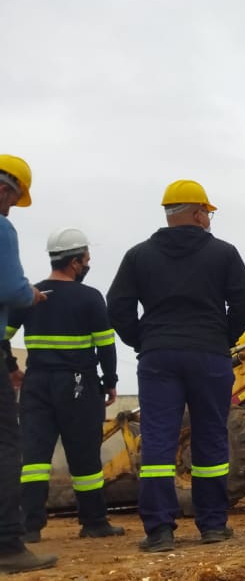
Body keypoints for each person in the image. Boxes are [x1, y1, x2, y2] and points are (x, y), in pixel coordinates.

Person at [107, 179, 245, 553]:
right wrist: (222, 338)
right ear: (196, 212)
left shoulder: (138, 255)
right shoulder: (224, 254)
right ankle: (213, 526)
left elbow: (117, 308)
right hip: (209, 356)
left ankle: (159, 532)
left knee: (158, 439)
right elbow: (244, 305)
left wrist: (145, 341)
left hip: (159, 357)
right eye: (207, 212)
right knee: (210, 437)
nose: (208, 219)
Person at [6, 228, 125, 543]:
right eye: (86, 259)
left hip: (35, 385)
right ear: (75, 262)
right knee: (84, 457)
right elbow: (106, 346)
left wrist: (10, 367)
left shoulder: (28, 296)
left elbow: (2, 335)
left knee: (33, 458)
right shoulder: (90, 298)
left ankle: (29, 527)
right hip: (78, 385)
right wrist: (110, 382)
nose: (88, 264)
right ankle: (94, 522)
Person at [0, 154, 57, 573]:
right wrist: (30, 295)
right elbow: (13, 290)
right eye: (14, 200)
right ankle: (7, 545)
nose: (11, 209)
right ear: (5, 189)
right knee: (6, 445)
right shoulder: (1, 227)